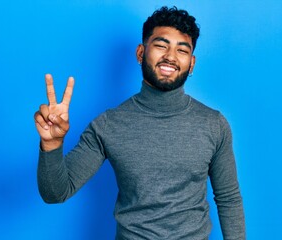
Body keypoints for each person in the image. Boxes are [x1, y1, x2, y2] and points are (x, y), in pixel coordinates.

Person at [34, 6, 245, 240]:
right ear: (140, 53)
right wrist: (51, 146)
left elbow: (228, 199)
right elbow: (56, 193)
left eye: (182, 50)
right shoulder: (108, 125)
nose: (171, 57)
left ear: (191, 64)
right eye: (161, 45)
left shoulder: (213, 124)